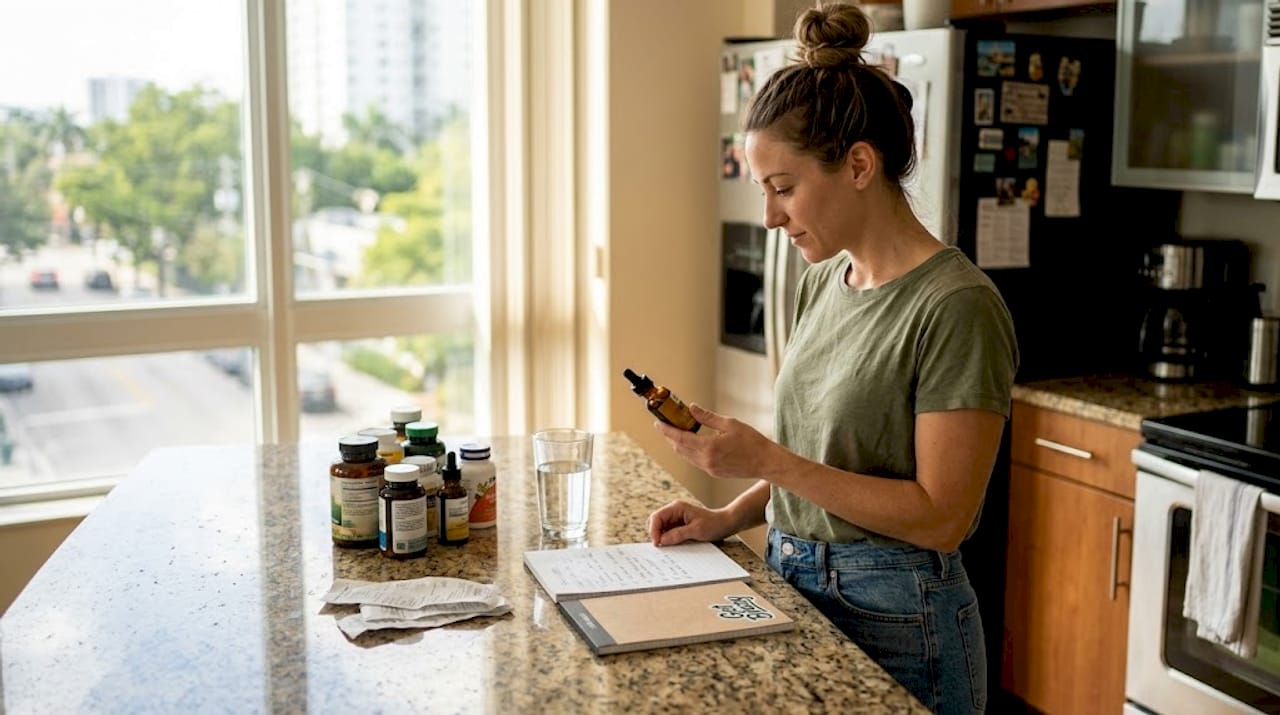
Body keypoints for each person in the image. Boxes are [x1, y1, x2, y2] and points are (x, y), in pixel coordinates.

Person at [645, 4, 1017, 714]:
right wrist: (731, 515)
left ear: (858, 165)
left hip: (903, 623)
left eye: (784, 189)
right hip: (794, 578)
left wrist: (766, 460)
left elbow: (943, 515)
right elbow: (824, 458)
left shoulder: (957, 307)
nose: (770, 217)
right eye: (764, 191)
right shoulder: (823, 279)